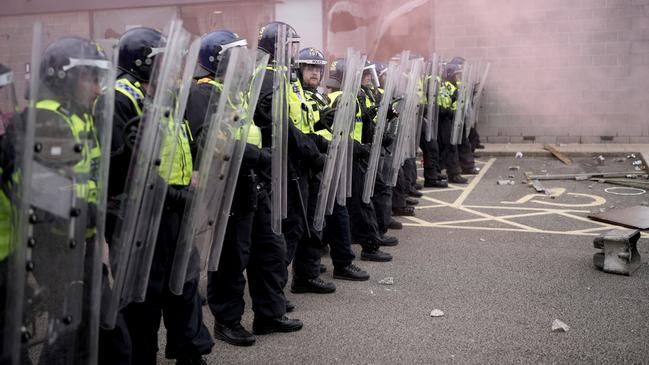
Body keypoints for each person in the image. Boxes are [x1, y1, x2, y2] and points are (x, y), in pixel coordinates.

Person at [187, 29, 302, 347]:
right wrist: (259, 157)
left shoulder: (234, 92)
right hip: (225, 188)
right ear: (217, 59)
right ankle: (228, 320)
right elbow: (211, 141)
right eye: (235, 56)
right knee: (230, 258)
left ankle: (269, 314)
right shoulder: (202, 93)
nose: (242, 63)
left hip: (251, 181)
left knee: (269, 249)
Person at [107, 27, 213, 365]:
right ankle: (143, 357)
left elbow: (183, 142)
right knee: (144, 296)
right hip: (140, 216)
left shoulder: (168, 95)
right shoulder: (120, 98)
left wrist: (195, 174)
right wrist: (170, 194)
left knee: (183, 281)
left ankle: (189, 351)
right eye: (161, 58)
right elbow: (126, 168)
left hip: (175, 207)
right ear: (141, 62)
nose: (171, 65)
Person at [254, 22, 336, 295]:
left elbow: (302, 121)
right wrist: (313, 152)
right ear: (277, 46)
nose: (294, 52)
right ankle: (274, 293)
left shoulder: (285, 78)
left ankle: (306, 275)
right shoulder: (268, 79)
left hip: (300, 161)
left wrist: (321, 134)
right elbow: (281, 127)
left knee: (305, 224)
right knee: (287, 229)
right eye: (290, 46)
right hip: (283, 164)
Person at [295, 46, 370, 280]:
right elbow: (301, 134)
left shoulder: (319, 97)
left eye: (317, 68)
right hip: (308, 164)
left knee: (335, 213)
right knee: (311, 221)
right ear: (299, 69)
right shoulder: (296, 96)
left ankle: (338, 263)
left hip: (325, 162)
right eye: (308, 67)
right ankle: (310, 270)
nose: (314, 72)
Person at [327, 58, 394, 262]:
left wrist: (379, 130)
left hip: (355, 155)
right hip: (347, 157)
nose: (365, 77)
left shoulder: (354, 97)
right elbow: (336, 132)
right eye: (361, 73)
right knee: (361, 202)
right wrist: (359, 148)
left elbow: (363, 127)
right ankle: (370, 246)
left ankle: (369, 237)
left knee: (357, 201)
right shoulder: (341, 98)